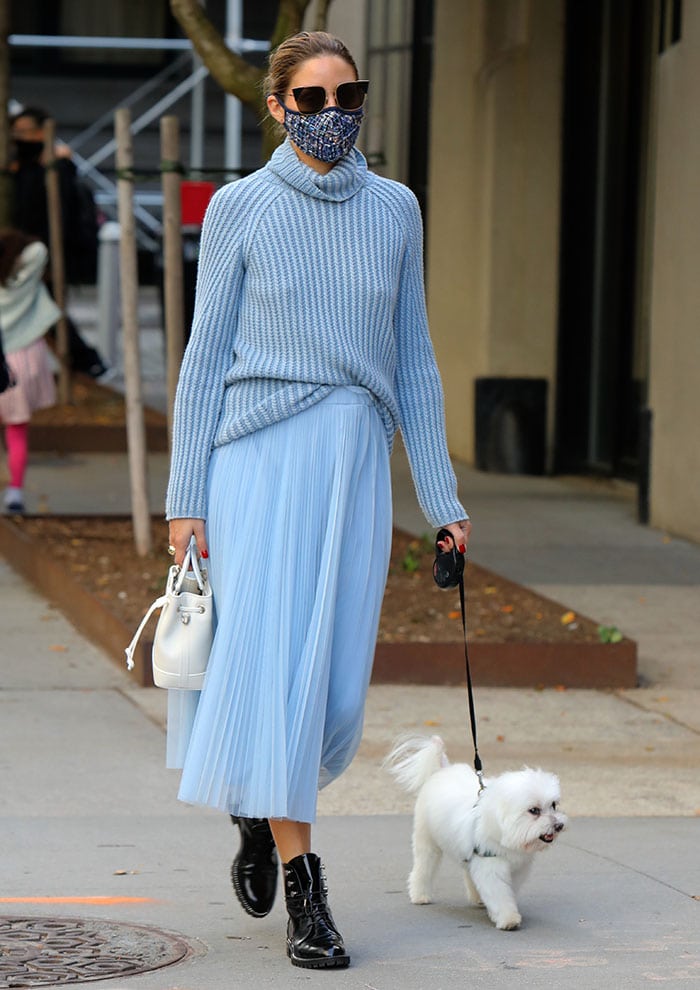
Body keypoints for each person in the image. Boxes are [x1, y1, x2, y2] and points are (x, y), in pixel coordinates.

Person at [165, 30, 471, 970]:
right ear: (277, 107)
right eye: (310, 99)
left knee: (334, 692)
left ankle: (258, 810)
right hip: (255, 463)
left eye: (348, 95)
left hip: (355, 467)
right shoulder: (240, 209)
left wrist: (443, 498)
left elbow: (413, 357)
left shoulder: (395, 210)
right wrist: (186, 499)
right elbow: (204, 359)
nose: (331, 113)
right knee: (285, 674)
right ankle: (309, 892)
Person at [10, 106, 108, 378]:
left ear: (43, 132)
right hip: (22, 253)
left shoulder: (57, 168)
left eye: (25, 131)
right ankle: (83, 362)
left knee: (47, 311)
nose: (19, 137)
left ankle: (86, 362)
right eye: (15, 132)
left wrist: (52, 259)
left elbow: (61, 217)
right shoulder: (19, 168)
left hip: (47, 253)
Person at [0, 230, 59, 514]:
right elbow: (38, 250)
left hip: (6, 356)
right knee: (17, 431)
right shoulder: (26, 275)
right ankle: (15, 491)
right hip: (23, 356)